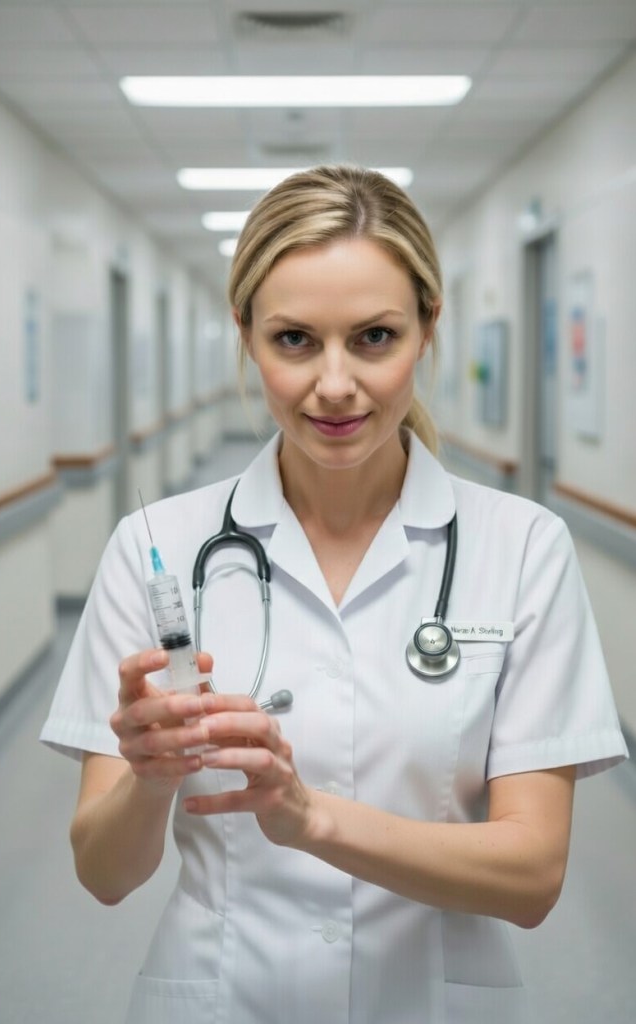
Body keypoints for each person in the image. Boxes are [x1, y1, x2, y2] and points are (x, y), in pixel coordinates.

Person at [41, 165, 627, 1024]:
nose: (336, 384)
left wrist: (310, 818)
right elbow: (103, 874)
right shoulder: (157, 551)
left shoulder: (522, 547)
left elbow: (531, 876)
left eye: (374, 337)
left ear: (429, 326)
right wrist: (150, 778)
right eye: (295, 340)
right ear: (245, 334)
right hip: (218, 995)